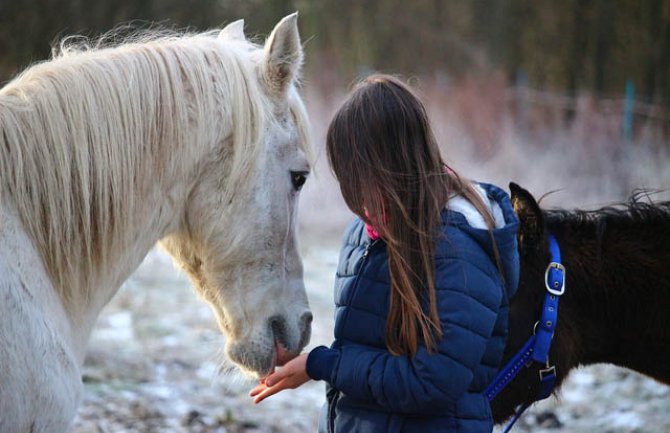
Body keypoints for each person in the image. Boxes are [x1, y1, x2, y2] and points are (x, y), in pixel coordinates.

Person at [249, 74, 520, 433]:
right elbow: (367, 351)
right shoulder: (364, 235)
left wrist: (322, 365)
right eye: (349, 182)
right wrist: (300, 361)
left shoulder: (460, 252)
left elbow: (431, 382)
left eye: (363, 180)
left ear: (396, 167)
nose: (358, 199)